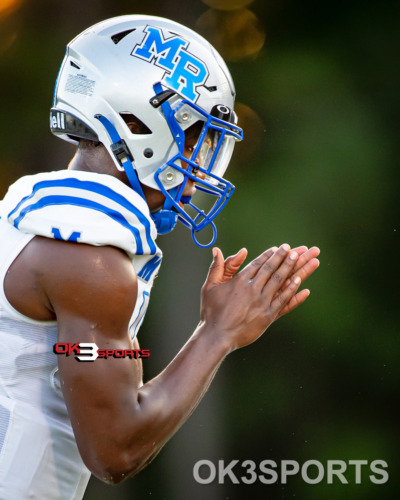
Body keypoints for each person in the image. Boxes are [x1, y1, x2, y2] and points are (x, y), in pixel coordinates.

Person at [0, 14, 320, 499]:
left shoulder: (28, 217)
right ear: (136, 123)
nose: (197, 168)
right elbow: (116, 451)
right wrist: (218, 333)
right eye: (193, 136)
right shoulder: (89, 263)